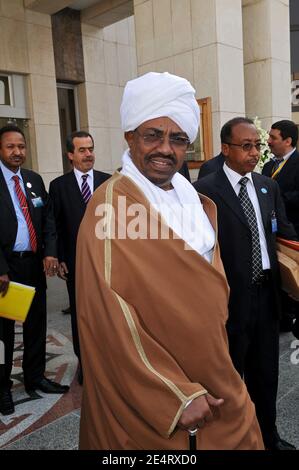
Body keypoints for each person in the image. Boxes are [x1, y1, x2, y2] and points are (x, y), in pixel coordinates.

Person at [76, 72, 263, 450]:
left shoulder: (193, 199)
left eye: (178, 139)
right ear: (130, 136)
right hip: (161, 395)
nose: (165, 148)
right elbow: (105, 313)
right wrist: (172, 395)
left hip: (217, 372)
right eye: (153, 135)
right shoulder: (112, 206)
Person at [194, 117, 297, 450]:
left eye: (259, 146)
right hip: (228, 300)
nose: (255, 153)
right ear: (226, 149)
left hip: (267, 297)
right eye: (247, 146)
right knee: (229, 376)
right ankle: (233, 440)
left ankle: (268, 437)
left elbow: (284, 234)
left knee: (266, 374)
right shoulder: (205, 190)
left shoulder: (268, 186)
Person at [0, 125, 69, 416]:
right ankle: (2, 387)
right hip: (7, 268)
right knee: (4, 332)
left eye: (21, 146)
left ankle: (35, 376)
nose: (18, 152)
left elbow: (48, 219)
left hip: (33, 265)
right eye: (10, 147)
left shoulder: (33, 180)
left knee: (35, 325)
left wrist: (50, 252)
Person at [49, 131, 110, 384]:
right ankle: (85, 364)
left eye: (91, 149)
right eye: (82, 150)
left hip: (108, 261)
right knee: (80, 313)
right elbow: (55, 224)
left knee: (108, 313)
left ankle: (109, 363)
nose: (89, 154)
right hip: (75, 263)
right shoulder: (59, 186)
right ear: (70, 155)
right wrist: (58, 256)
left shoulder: (109, 182)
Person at [262, 120, 299, 336]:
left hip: (293, 233)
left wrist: (275, 198)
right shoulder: (268, 166)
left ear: (287, 140)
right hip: (272, 233)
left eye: (273, 137)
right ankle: (282, 316)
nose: (268, 142)